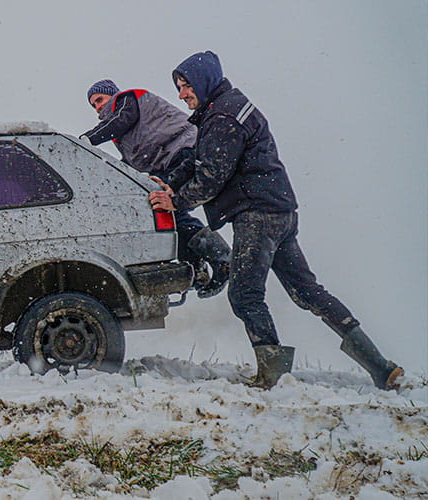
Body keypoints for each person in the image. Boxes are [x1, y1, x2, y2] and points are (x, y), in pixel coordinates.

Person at [149, 50, 404, 390]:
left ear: (203, 81)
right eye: (179, 87)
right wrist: (171, 181)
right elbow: (197, 159)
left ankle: (274, 378)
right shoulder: (223, 109)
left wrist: (174, 201)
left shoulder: (223, 116)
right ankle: (380, 366)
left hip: (259, 214)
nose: (181, 95)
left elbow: (211, 176)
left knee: (244, 294)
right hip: (278, 210)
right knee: (307, 291)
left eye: (186, 86)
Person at [82, 79, 230, 298]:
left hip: (184, 151)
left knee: (167, 209)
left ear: (112, 94)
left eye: (99, 99)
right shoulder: (124, 135)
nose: (98, 107)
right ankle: (197, 268)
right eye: (94, 105)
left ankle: (220, 259)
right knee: (165, 212)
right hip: (171, 160)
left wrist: (86, 141)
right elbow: (129, 165)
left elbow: (120, 121)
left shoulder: (128, 100)